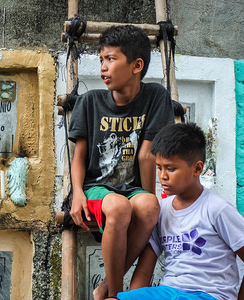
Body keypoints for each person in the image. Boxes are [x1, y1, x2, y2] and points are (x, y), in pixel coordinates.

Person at [68, 25, 174, 299]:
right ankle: (115, 295)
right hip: (96, 189)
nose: (103, 67)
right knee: (118, 206)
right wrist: (77, 193)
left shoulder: (156, 96)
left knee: (149, 206)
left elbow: (146, 154)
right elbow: (78, 156)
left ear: (136, 65)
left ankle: (103, 289)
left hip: (133, 188)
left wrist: (153, 202)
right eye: (101, 59)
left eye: (111, 59)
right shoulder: (90, 101)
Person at [116, 123, 244, 300]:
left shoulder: (217, 210)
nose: (163, 175)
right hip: (169, 292)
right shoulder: (161, 209)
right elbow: (144, 269)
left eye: (171, 169)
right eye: (159, 167)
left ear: (197, 168)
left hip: (208, 295)